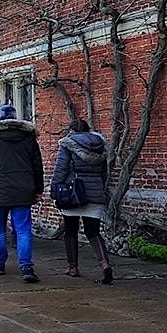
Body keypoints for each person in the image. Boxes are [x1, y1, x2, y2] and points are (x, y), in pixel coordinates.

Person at [0, 104, 44, 283]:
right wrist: (39, 189)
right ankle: (26, 266)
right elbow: (38, 166)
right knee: (23, 230)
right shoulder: (29, 138)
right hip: (23, 190)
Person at [52, 119, 113, 284]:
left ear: (72, 130)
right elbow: (104, 173)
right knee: (93, 232)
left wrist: (54, 189)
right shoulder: (100, 145)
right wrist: (99, 189)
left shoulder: (67, 144)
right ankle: (105, 264)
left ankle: (73, 267)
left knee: (70, 230)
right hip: (95, 192)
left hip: (72, 193)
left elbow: (61, 168)